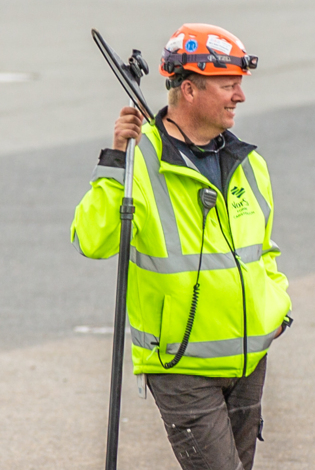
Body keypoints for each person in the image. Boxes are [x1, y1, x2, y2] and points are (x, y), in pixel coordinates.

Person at [70, 23, 288, 470]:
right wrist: (115, 161)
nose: (239, 97)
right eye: (228, 86)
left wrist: (277, 308)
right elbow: (92, 241)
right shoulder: (141, 160)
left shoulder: (249, 163)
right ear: (189, 90)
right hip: (182, 365)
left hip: (249, 359)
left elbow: (264, 250)